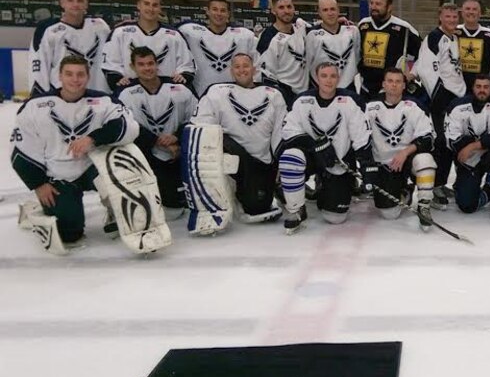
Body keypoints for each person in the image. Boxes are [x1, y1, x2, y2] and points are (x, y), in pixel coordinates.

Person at [10, 56, 140, 250]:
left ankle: (114, 209)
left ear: (88, 77)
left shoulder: (103, 101)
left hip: (93, 168)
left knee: (122, 172)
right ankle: (35, 211)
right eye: (69, 74)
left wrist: (93, 138)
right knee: (70, 236)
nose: (75, 79)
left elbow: (130, 127)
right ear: (60, 76)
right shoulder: (35, 106)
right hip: (58, 174)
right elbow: (20, 151)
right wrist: (38, 184)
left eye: (80, 74)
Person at [184, 53, 288, 234]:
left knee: (257, 208)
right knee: (211, 138)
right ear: (231, 71)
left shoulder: (274, 95)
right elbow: (200, 125)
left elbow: (280, 134)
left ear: (254, 69)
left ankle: (249, 192)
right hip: (230, 154)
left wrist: (279, 164)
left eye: (246, 66)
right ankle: (215, 198)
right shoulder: (217, 92)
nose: (242, 70)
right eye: (237, 66)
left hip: (260, 161)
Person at [277, 62, 372, 233]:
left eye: (333, 76)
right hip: (311, 157)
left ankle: (326, 187)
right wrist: (315, 145)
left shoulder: (350, 101)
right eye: (324, 76)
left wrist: (366, 166)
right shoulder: (302, 100)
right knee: (290, 156)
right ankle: (295, 209)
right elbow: (288, 131)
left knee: (335, 217)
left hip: (338, 161)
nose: (329, 80)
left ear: (338, 78)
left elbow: (360, 135)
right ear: (316, 78)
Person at [116, 46, 197, 212]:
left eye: (150, 63)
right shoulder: (125, 94)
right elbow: (124, 125)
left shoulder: (180, 89)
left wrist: (177, 137)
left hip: (178, 152)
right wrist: (156, 141)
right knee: (158, 204)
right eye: (141, 64)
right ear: (133, 67)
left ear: (157, 64)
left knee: (176, 204)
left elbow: (198, 117)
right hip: (147, 154)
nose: (147, 68)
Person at [362, 68, 438, 229]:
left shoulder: (414, 106)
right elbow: (360, 138)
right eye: (390, 81)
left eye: (398, 82)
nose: (394, 85)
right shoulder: (370, 107)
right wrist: (367, 164)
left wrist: (405, 152)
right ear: (384, 84)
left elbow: (428, 138)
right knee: (389, 213)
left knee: (425, 160)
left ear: (404, 85)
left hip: (406, 161)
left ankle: (424, 205)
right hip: (383, 165)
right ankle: (405, 191)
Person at [415, 3, 468, 209]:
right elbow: (427, 69)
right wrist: (439, 97)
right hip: (442, 100)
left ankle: (443, 182)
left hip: (457, 97)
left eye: (455, 17)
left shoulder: (455, 38)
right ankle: (435, 185)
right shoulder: (433, 38)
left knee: (452, 141)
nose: (452, 20)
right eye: (448, 17)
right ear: (440, 17)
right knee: (441, 141)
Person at [445, 73, 490, 220]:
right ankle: (487, 191)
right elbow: (451, 138)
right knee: (467, 205)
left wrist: (473, 146)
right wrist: (484, 144)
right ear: (472, 88)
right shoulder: (457, 106)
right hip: (469, 160)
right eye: (478, 86)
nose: (482, 90)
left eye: (486, 87)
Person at [102, 0, 194, 93]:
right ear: (138, 5)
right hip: (131, 94)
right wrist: (117, 79)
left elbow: (187, 64)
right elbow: (110, 63)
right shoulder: (120, 32)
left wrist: (183, 76)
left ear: (160, 8)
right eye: (146, 4)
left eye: (155, 5)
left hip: (167, 93)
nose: (150, 9)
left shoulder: (174, 35)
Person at [30, 0, 111, 96]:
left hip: (96, 94)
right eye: (70, 0)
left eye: (80, 0)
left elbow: (112, 55)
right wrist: (38, 95)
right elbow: (38, 63)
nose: (75, 4)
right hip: (61, 95)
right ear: (62, 3)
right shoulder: (48, 30)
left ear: (86, 4)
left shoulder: (100, 26)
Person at [178, 0, 258, 95]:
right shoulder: (190, 32)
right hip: (201, 94)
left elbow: (257, 64)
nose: (219, 14)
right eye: (215, 9)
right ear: (207, 11)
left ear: (228, 14)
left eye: (223, 10)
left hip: (234, 95)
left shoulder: (244, 35)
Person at [357, 0, 422, 100]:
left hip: (391, 91)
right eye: (371, 3)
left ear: (390, 6)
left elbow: (424, 55)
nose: (373, 7)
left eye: (378, 4)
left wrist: (410, 75)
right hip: (365, 89)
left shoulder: (404, 28)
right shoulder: (363, 25)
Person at [255, 0, 310, 108]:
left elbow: (318, 29)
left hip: (305, 95)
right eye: (281, 7)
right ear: (274, 10)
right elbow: (265, 75)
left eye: (289, 7)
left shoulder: (300, 26)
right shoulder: (268, 38)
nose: (286, 11)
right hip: (284, 95)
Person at [305, 0, 361, 93]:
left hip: (348, 88)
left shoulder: (353, 31)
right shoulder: (312, 35)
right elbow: (308, 64)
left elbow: (357, 56)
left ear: (338, 10)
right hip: (321, 89)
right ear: (319, 13)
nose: (330, 13)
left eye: (333, 9)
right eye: (325, 10)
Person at [456, 0, 490, 90]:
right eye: (468, 9)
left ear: (480, 13)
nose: (471, 12)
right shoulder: (453, 33)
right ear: (462, 12)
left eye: (475, 9)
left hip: (482, 90)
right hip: (456, 88)